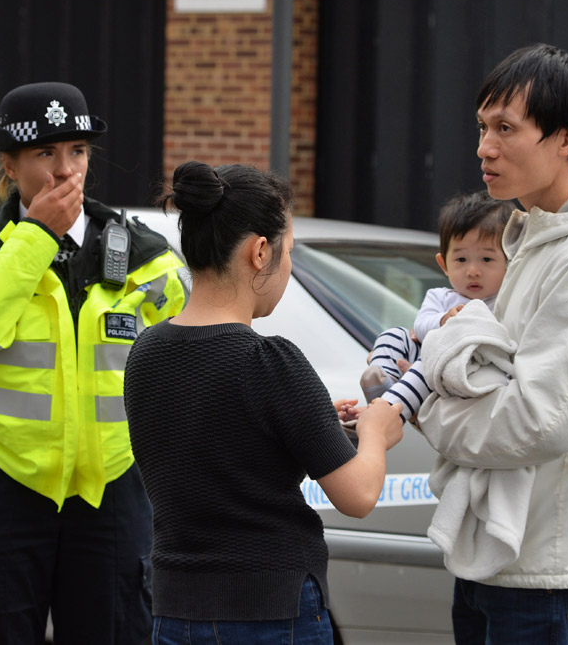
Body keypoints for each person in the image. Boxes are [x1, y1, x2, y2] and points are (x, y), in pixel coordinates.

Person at [414, 44, 568, 644]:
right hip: (501, 549)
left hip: (544, 564)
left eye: (506, 129)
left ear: (566, 138)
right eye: (482, 128)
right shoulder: (532, 238)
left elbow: (537, 422)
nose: (484, 148)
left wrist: (427, 404)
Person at [0, 81, 188, 645]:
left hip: (112, 492)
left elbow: (189, 352)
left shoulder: (145, 254)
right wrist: (35, 236)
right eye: (45, 153)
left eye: (78, 152)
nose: (64, 171)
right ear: (10, 164)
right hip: (4, 482)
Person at [123, 161, 405, 644]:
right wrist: (377, 432)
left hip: (175, 611)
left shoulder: (144, 353)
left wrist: (314, 423)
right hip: (272, 612)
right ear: (259, 252)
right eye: (288, 251)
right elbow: (358, 496)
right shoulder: (270, 361)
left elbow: (219, 447)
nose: (288, 266)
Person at [360, 191, 512, 420]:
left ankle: (388, 411)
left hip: (455, 369)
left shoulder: (504, 303)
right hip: (424, 358)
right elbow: (419, 328)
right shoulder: (440, 296)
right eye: (461, 260)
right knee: (393, 334)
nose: (473, 271)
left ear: (510, 261)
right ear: (444, 264)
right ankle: (383, 380)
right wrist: (443, 320)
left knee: (430, 358)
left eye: (487, 259)